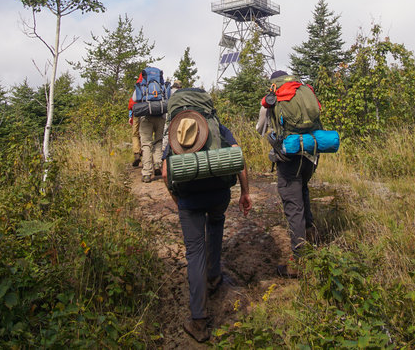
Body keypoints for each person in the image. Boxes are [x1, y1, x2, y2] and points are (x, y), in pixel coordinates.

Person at [162, 88, 251, 343]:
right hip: (219, 194)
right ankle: (214, 276)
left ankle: (199, 321)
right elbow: (239, 157)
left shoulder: (175, 131)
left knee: (194, 252)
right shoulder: (216, 127)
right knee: (215, 223)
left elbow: (167, 174)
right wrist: (245, 192)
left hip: (190, 197)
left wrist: (178, 201)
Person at [256, 70, 319, 277]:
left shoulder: (272, 99)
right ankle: (312, 240)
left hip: (289, 157)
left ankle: (299, 263)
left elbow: (260, 128)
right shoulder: (304, 90)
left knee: (293, 205)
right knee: (303, 190)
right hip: (311, 154)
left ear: (273, 84)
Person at [128, 67, 169, 183]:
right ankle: (157, 164)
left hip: (146, 117)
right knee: (158, 141)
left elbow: (135, 98)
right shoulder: (161, 85)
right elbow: (168, 98)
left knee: (146, 144)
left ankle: (146, 173)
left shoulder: (142, 85)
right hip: (160, 116)